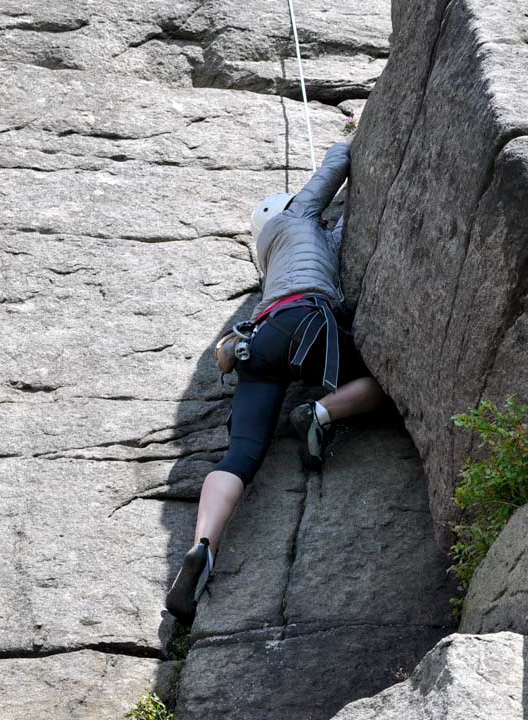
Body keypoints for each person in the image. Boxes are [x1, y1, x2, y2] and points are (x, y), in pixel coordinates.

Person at [165, 140, 386, 625]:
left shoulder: (276, 262)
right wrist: (350, 140)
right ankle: (322, 412)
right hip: (306, 320)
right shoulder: (298, 218)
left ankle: (203, 544)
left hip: (259, 343)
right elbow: (333, 173)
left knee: (240, 454)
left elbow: (346, 231)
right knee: (382, 383)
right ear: (283, 211)